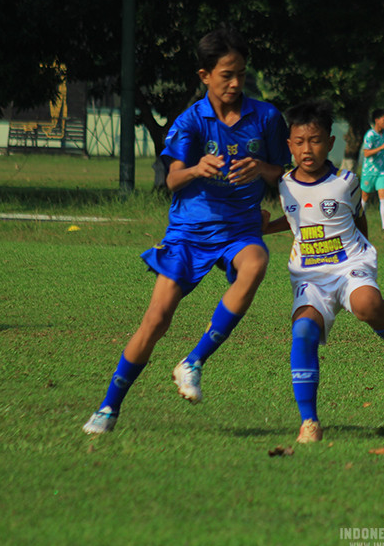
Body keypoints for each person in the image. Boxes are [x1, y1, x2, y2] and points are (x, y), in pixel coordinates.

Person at [82, 27, 289, 434]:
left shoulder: (266, 118)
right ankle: (108, 408)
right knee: (156, 320)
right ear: (205, 75)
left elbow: (286, 173)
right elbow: (172, 181)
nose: (234, 83)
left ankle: (193, 361)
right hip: (189, 234)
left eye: (241, 74)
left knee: (256, 262)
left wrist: (263, 169)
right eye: (226, 74)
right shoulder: (191, 120)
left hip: (239, 230)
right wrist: (197, 168)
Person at [266, 99, 384, 443]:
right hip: (309, 274)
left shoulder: (347, 181)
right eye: (300, 142)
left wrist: (363, 257)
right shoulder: (284, 183)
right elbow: (298, 223)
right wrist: (261, 227)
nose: (308, 149)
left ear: (330, 143)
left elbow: (357, 218)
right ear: (289, 144)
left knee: (367, 305)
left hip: (349, 263)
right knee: (303, 332)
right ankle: (309, 422)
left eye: (316, 140)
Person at [360, 108, 384, 233]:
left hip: (382, 171)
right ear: (377, 120)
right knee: (365, 197)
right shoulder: (370, 135)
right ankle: (358, 222)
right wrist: (381, 148)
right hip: (369, 172)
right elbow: (366, 153)